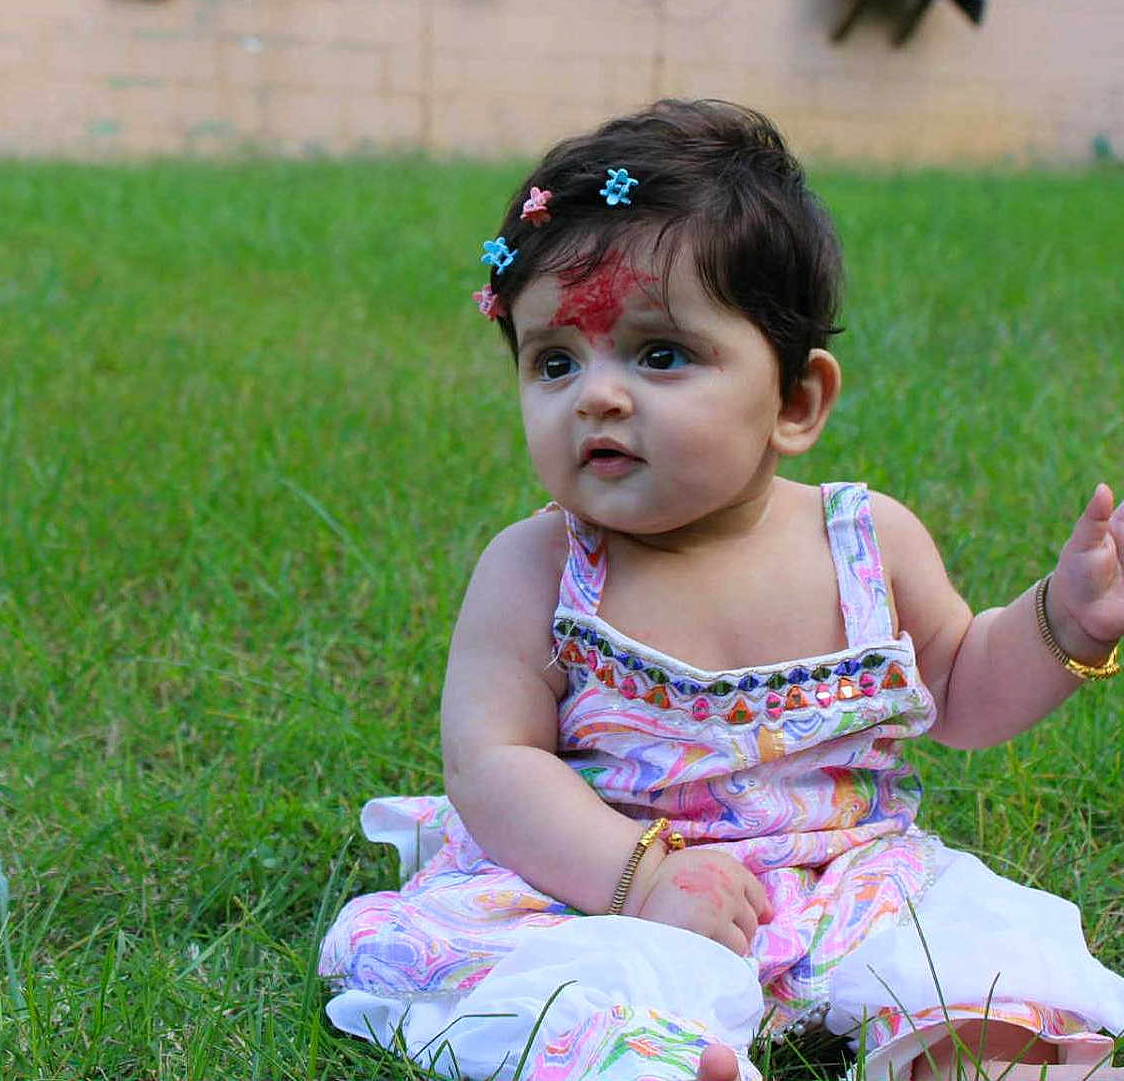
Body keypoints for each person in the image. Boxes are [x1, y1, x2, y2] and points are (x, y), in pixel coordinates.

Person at [318, 99, 1124, 1081]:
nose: (597, 395)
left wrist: (1063, 625)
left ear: (795, 401)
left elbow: (958, 689)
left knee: (966, 966)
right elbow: (492, 763)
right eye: (554, 361)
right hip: (603, 878)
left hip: (844, 877)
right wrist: (640, 878)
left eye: (659, 354)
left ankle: (967, 1056)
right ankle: (654, 1058)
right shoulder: (536, 569)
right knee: (572, 996)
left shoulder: (863, 543)